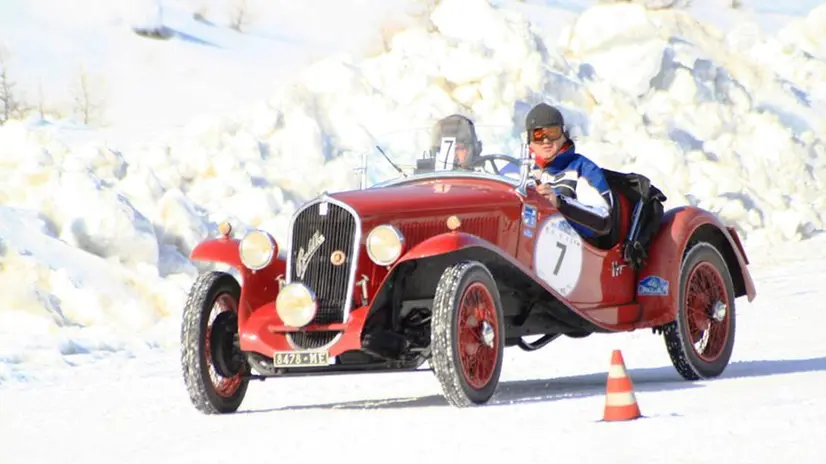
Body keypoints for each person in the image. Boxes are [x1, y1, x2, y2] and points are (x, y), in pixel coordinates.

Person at [525, 102, 613, 238]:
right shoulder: (518, 170)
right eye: (538, 134)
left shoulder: (582, 170)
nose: (546, 140)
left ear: (563, 134)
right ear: (529, 139)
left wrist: (560, 204)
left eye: (553, 132)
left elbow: (603, 220)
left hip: (570, 246)